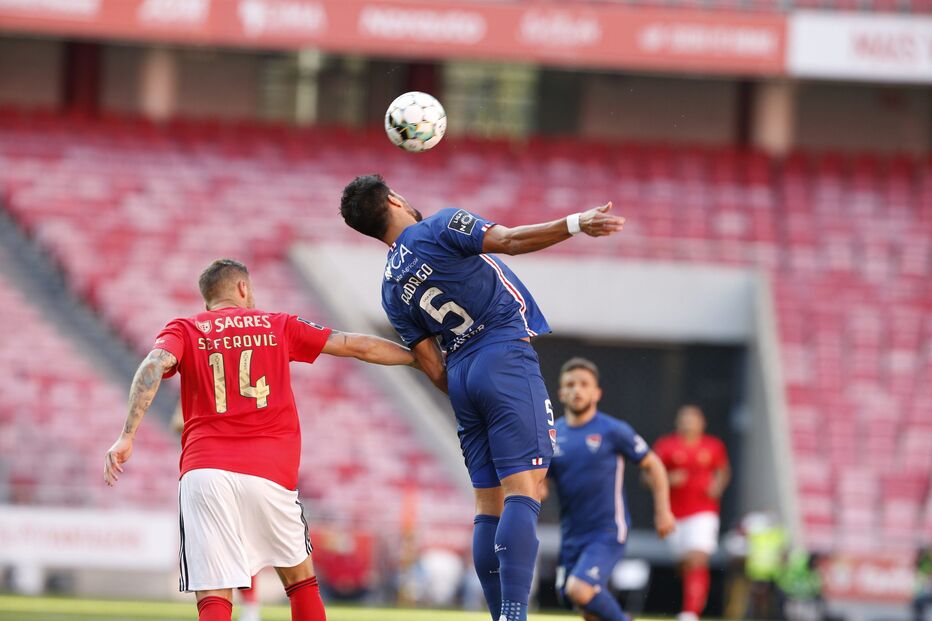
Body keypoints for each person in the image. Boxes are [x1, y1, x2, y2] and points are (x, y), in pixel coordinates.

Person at [339, 175, 624, 621]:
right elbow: (508, 240)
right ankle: (513, 615)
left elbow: (432, 368)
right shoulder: (438, 225)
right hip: (502, 352)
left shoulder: (391, 288)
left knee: (487, 505)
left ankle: (498, 615)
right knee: (523, 491)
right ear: (394, 199)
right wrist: (575, 223)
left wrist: (470, 389)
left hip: (461, 375)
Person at [104, 259, 417, 621]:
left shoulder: (186, 327)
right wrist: (418, 360)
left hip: (204, 472)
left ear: (208, 300)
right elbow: (354, 345)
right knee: (301, 583)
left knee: (214, 595)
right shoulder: (277, 324)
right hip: (269, 473)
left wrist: (127, 436)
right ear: (242, 288)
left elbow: (153, 365)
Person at [543, 357, 676, 621]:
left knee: (580, 589)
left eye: (584, 384)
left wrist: (663, 511)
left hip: (606, 529)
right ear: (560, 393)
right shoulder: (552, 435)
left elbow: (654, 465)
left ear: (597, 393)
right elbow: (542, 485)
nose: (576, 390)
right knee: (581, 604)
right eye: (570, 384)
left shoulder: (613, 430)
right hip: (571, 534)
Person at [653, 405, 731, 621]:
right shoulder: (666, 446)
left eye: (693, 419)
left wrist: (717, 485)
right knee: (685, 564)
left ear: (702, 423)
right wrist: (668, 479)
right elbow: (648, 477)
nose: (689, 423)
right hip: (674, 514)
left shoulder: (713, 446)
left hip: (703, 511)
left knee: (698, 558)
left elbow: (723, 471)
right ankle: (695, 594)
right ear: (677, 422)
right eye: (685, 419)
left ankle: (690, 612)